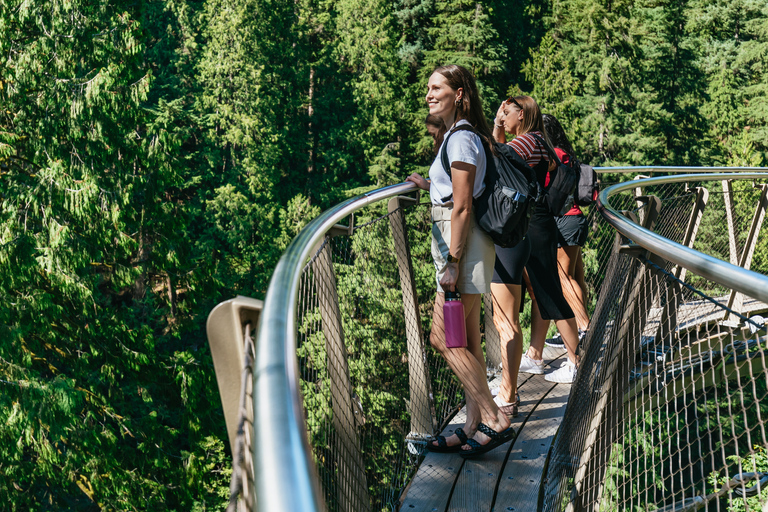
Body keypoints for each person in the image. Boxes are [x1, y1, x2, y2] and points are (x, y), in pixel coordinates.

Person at [406, 65, 513, 457]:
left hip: (462, 248)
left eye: (437, 88)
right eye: (428, 88)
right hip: (462, 247)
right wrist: (429, 185)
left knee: (442, 337)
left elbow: (464, 205)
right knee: (464, 339)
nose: (429, 94)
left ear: (460, 93)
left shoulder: (462, 137)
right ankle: (472, 424)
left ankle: (494, 417)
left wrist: (452, 262)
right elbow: (455, 190)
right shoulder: (457, 136)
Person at [491, 96, 580, 385]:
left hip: (536, 223)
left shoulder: (529, 142)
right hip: (537, 220)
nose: (504, 116)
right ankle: (542, 356)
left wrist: (495, 124)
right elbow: (503, 153)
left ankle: (575, 361)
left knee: (551, 291)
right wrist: (499, 124)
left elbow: (497, 157)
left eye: (508, 112)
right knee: (542, 291)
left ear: (523, 114)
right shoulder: (537, 140)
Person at [541, 114, 590, 347]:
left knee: (563, 278)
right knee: (575, 277)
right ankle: (583, 327)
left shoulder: (554, 155)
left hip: (565, 220)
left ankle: (583, 327)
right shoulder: (567, 155)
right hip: (574, 219)